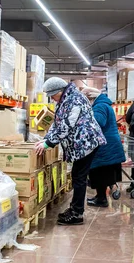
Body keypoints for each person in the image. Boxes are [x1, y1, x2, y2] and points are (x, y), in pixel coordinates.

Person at [34, 77, 106, 225]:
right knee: (77, 176)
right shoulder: (66, 99)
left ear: (60, 91)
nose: (52, 99)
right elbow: (57, 123)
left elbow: (66, 125)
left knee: (79, 177)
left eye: (53, 95)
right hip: (81, 142)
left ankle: (77, 214)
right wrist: (46, 138)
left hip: (86, 143)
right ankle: (75, 208)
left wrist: (48, 144)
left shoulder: (74, 100)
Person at [81, 87, 126, 207]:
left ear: (90, 98)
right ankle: (100, 197)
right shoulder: (103, 104)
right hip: (108, 144)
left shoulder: (99, 106)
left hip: (105, 145)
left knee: (99, 172)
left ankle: (101, 199)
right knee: (102, 172)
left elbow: (98, 122)